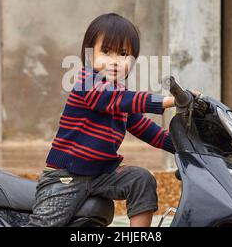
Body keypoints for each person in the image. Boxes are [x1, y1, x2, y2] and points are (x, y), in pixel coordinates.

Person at [26, 13, 198, 227]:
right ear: (90, 55)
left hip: (100, 175)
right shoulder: (86, 83)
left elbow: (145, 128)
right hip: (66, 177)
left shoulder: (121, 96)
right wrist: (171, 101)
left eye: (123, 54)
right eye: (106, 51)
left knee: (140, 179)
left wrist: (186, 147)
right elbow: (117, 99)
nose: (114, 61)